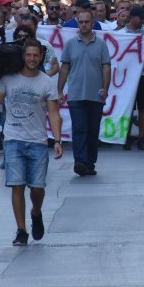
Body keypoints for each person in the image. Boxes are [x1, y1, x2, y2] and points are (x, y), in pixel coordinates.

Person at [0, 38, 63, 247]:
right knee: (17, 186)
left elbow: (54, 113)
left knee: (37, 188)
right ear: (23, 56)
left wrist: (57, 140)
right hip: (13, 139)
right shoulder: (9, 79)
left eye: (35, 55)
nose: (31, 59)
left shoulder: (46, 82)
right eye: (28, 55)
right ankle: (21, 230)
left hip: (37, 140)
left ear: (41, 57)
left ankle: (36, 212)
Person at [58, 11, 111, 176]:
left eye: (87, 22)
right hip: (76, 94)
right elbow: (65, 67)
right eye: (81, 22)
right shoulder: (70, 44)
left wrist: (105, 88)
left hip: (96, 95)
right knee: (80, 128)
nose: (83, 25)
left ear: (92, 22)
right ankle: (80, 162)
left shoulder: (101, 44)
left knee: (93, 131)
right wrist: (59, 90)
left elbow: (106, 67)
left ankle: (90, 163)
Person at [122, 6, 144, 150]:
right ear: (132, 17)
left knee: (143, 108)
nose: (142, 20)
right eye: (140, 17)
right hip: (128, 75)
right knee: (128, 108)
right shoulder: (122, 33)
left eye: (143, 18)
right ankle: (126, 137)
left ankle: (141, 137)